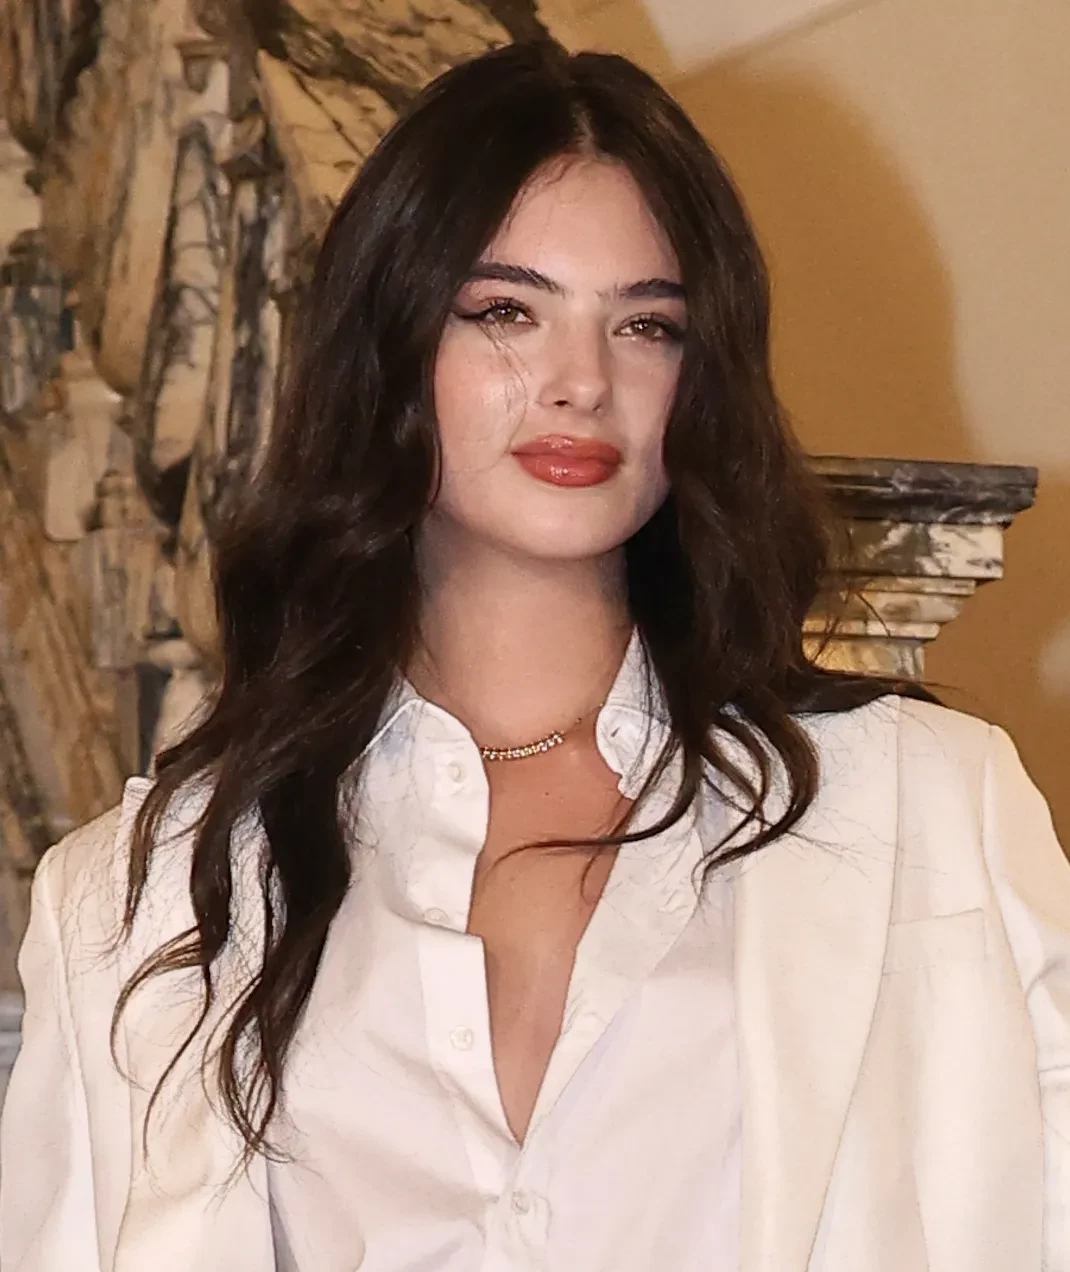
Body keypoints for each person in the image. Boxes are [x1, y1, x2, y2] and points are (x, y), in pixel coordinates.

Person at [1, 38, 1067, 1272]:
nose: (580, 382)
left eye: (647, 326)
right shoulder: (142, 896)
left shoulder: (920, 807)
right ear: (391, 351)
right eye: (506, 312)